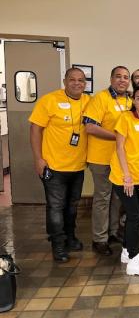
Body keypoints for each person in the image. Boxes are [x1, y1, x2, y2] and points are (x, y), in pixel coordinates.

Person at [29, 67, 90, 262]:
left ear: (85, 83)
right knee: (55, 207)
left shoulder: (89, 102)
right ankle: (58, 245)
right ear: (65, 81)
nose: (77, 83)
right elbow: (35, 130)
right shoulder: (49, 100)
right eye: (72, 79)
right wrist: (38, 159)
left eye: (81, 80)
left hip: (78, 166)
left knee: (72, 206)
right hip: (53, 166)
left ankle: (70, 238)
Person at [83, 66, 132, 256]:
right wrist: (117, 137)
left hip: (120, 160)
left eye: (125, 77)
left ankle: (112, 232)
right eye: (118, 77)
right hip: (101, 158)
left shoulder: (129, 100)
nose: (122, 80)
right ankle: (99, 239)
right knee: (103, 198)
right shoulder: (101, 98)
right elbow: (90, 127)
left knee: (117, 198)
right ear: (111, 79)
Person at [109, 87, 139, 276]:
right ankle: (134, 261)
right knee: (135, 216)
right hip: (124, 177)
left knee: (134, 215)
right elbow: (120, 147)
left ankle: (126, 253)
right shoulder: (125, 118)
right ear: (133, 100)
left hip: (138, 176)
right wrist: (127, 176)